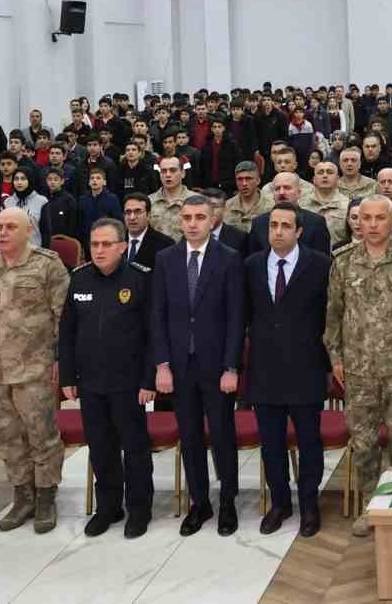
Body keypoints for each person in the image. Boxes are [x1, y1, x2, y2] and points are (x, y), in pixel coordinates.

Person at [324, 194, 392, 538]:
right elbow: (333, 317)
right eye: (365, 218)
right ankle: (372, 506)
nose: (371, 225)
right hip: (357, 371)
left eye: (379, 218)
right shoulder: (342, 261)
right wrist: (336, 358)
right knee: (365, 444)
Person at [0, 208, 70, 533]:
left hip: (34, 367)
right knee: (7, 436)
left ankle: (45, 496)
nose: (3, 232)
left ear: (29, 231)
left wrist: (59, 362)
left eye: (11, 226)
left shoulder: (47, 265)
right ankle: (22, 494)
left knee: (41, 434)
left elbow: (63, 320)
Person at [151, 195, 245, 535]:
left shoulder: (229, 259)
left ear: (212, 219)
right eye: (187, 217)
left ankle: (228, 502)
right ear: (179, 221)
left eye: (200, 217)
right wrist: (161, 364)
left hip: (217, 366)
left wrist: (231, 367)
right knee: (190, 437)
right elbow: (157, 315)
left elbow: (236, 318)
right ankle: (200, 502)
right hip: (179, 366)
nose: (192, 223)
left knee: (222, 435)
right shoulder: (166, 259)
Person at [59, 218, 156, 539]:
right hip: (91, 382)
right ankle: (109, 507)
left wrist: (148, 380)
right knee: (101, 449)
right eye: (95, 244)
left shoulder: (140, 279)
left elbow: (151, 335)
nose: (99, 250)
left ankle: (139, 509)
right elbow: (68, 332)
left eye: (106, 244)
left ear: (123, 247)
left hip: (128, 383)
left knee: (135, 449)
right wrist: (68, 375)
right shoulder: (79, 279)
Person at [243, 203, 332, 537]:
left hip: (305, 368)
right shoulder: (251, 265)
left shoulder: (321, 265)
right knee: (271, 444)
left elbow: (328, 318)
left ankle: (309, 504)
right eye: (273, 225)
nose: (277, 231)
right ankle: (280, 503)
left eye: (285, 226)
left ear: (298, 232)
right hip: (265, 370)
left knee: (310, 442)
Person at [243, 172, 331, 257]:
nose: (281, 192)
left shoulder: (316, 223)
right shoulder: (259, 223)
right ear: (272, 194)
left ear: (299, 193)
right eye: (277, 189)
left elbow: (322, 263)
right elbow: (253, 261)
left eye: (287, 188)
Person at [122, 191, 172, 270]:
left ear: (148, 215)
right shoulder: (116, 241)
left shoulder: (165, 245)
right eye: (128, 212)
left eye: (137, 212)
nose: (132, 217)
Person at [147, 156, 190, 240]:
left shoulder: (195, 200)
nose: (168, 175)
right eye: (163, 171)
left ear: (183, 173)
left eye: (173, 170)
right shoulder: (149, 201)